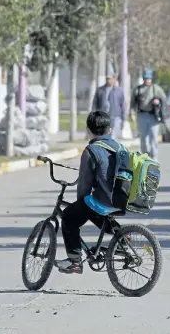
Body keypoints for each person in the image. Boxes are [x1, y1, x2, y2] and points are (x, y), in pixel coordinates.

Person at [56, 111, 122, 274]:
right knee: (93, 208)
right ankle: (122, 236)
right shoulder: (120, 147)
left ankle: (75, 260)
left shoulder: (91, 150)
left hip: (104, 199)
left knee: (69, 217)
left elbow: (85, 182)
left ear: (88, 130)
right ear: (110, 130)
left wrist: (80, 202)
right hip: (122, 198)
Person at [131, 68, 167, 160]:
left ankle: (154, 157)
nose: (148, 80)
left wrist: (158, 101)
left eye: (149, 78)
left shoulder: (156, 89)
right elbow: (133, 103)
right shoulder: (138, 89)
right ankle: (145, 156)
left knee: (154, 138)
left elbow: (164, 99)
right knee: (143, 138)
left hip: (153, 116)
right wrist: (132, 113)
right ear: (143, 79)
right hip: (142, 116)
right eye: (146, 78)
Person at [91, 66, 127, 140]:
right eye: (107, 79)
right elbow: (95, 104)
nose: (108, 80)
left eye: (110, 79)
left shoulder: (119, 91)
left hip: (115, 117)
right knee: (103, 137)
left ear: (114, 79)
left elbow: (123, 105)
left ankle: (112, 151)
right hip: (103, 117)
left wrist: (124, 119)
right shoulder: (100, 90)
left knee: (113, 138)